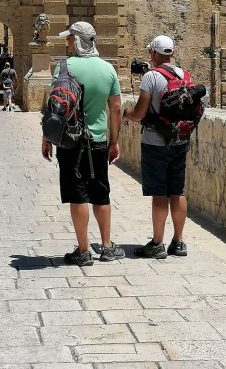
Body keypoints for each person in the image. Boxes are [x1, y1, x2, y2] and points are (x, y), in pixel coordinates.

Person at [42, 21, 124, 266]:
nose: (67, 42)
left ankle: (83, 250)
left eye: (70, 38)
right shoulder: (108, 70)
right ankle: (107, 247)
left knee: (77, 195)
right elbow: (116, 108)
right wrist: (114, 142)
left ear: (77, 41)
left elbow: (53, 107)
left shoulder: (63, 67)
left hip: (70, 142)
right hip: (97, 142)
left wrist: (47, 138)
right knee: (101, 194)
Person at [122, 34, 189, 259]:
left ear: (153, 52)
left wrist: (126, 113)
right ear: (172, 53)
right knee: (177, 191)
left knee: (159, 194)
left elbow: (140, 113)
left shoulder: (150, 77)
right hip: (179, 141)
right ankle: (178, 242)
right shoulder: (183, 74)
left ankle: (157, 243)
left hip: (155, 143)